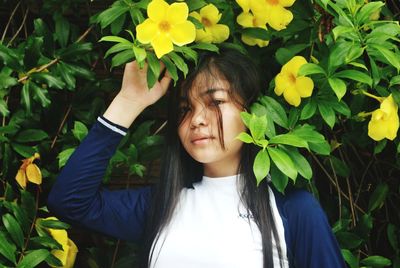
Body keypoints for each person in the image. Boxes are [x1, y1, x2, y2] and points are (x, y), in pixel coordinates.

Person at [47, 49, 346, 268]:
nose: (197, 120)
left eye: (215, 102)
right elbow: (70, 202)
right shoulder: (162, 204)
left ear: (255, 112)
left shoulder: (293, 211)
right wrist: (129, 101)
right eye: (185, 108)